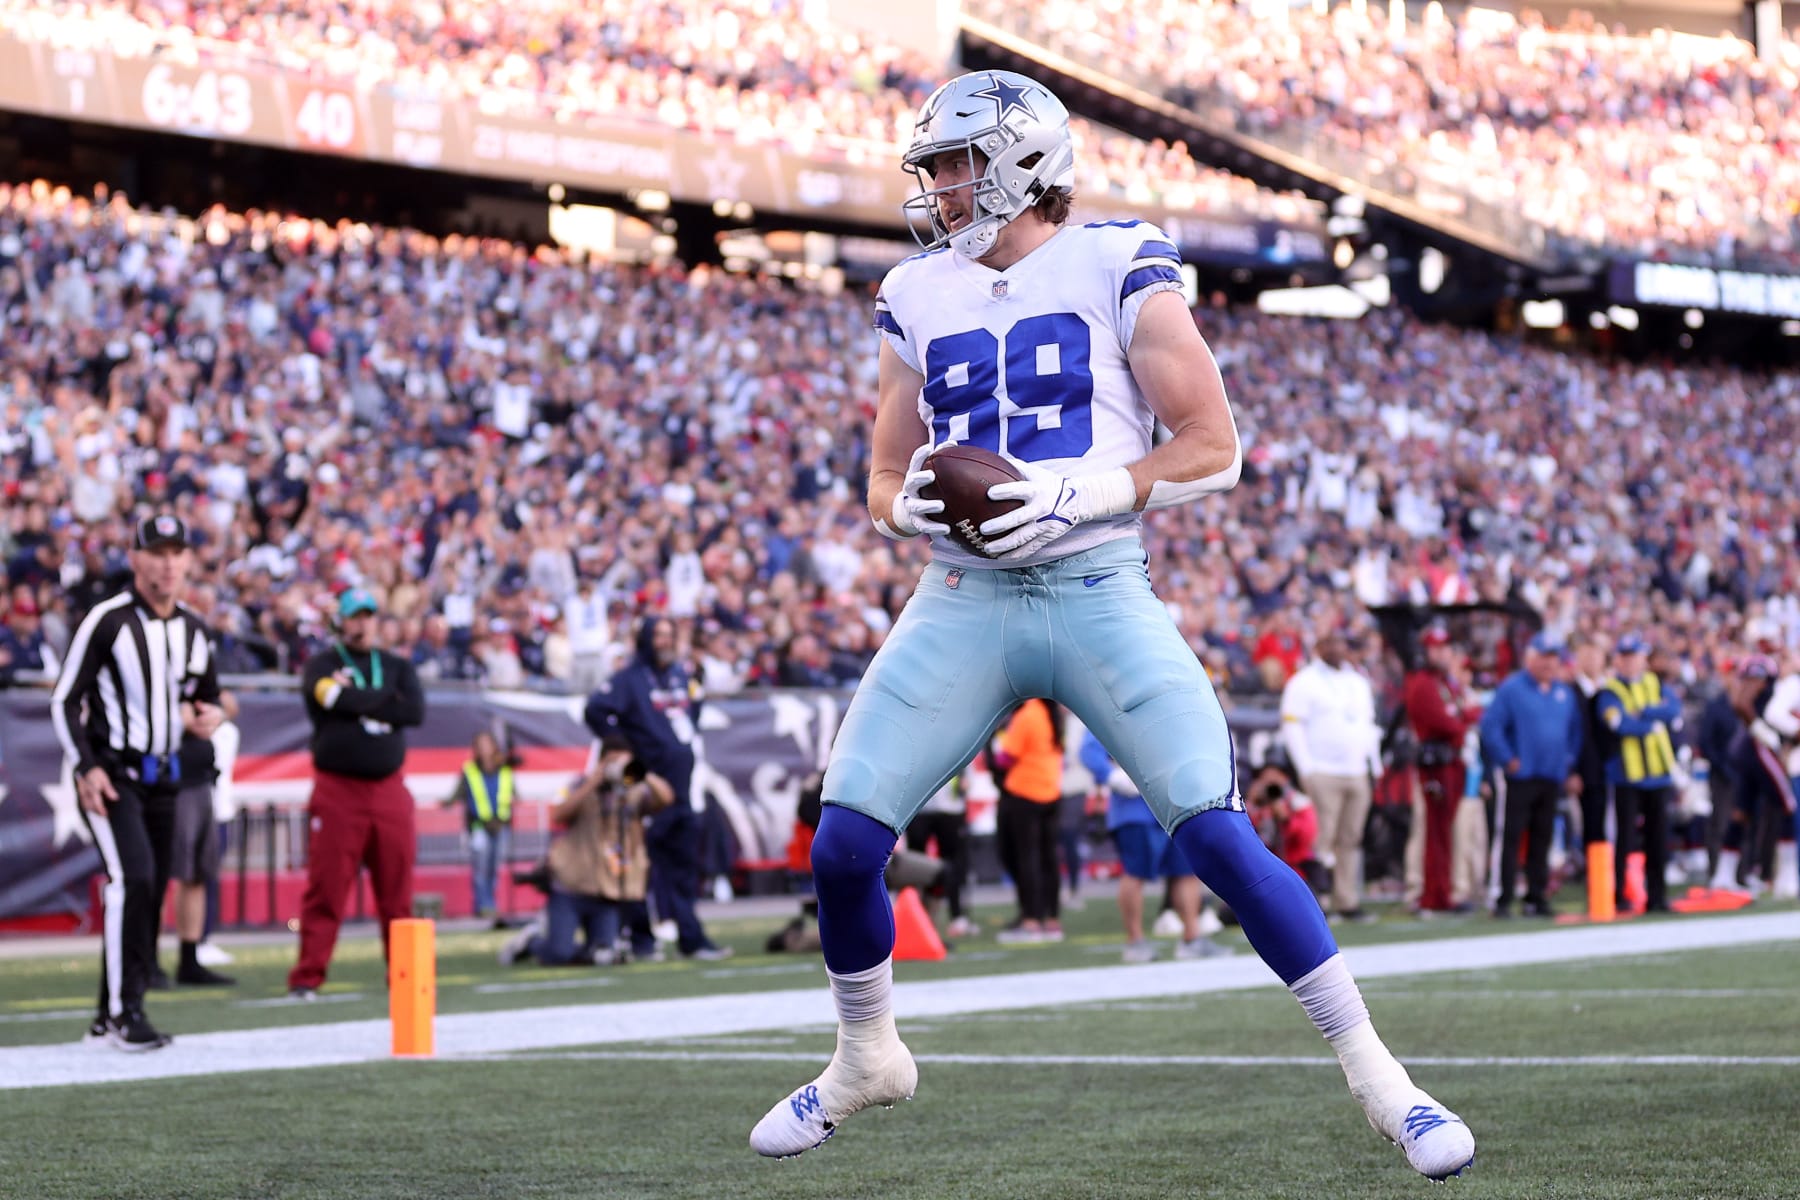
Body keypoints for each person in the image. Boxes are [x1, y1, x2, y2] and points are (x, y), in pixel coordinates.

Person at [749, 69, 1474, 1182]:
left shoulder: (1117, 257)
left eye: (957, 163)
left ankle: (1384, 1080)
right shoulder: (914, 290)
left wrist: (1077, 493)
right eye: (933, 167)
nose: (940, 187)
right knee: (845, 843)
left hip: (1096, 584)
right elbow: (883, 476)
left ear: (1025, 164)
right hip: (963, 596)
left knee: (1218, 837)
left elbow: (1212, 444)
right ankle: (865, 1055)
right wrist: (910, 511)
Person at [51, 514, 223, 1050]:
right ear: (135, 558)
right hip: (114, 775)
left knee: (149, 892)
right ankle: (128, 1014)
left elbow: (207, 697)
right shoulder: (108, 620)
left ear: (189, 559)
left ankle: (110, 1014)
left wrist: (207, 716)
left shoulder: (193, 627)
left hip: (166, 778)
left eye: (177, 551)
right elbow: (63, 700)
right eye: (157, 551)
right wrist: (87, 764)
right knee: (134, 881)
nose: (168, 562)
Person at [286, 588, 426, 1000]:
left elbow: (413, 712)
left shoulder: (397, 665)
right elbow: (325, 696)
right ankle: (308, 976)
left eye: (368, 616)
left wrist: (353, 702)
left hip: (388, 788)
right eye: (354, 616)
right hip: (338, 790)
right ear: (340, 621)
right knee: (326, 887)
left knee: (397, 891)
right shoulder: (321, 664)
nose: (362, 623)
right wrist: (383, 701)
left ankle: (402, 976)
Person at [584, 616, 731, 961]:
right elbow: (595, 710)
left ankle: (691, 939)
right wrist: (627, 754)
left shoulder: (680, 674)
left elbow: (693, 705)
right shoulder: (629, 679)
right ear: (646, 639)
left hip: (682, 789)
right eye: (658, 635)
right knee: (638, 866)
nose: (665, 641)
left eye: (670, 634)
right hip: (647, 792)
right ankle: (641, 939)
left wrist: (679, 739)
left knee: (682, 868)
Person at [499, 734, 672, 966]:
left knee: (603, 957)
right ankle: (533, 942)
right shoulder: (580, 785)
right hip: (572, 887)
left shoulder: (632, 792)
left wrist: (640, 771)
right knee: (559, 954)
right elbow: (558, 814)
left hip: (606, 890)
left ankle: (584, 949)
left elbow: (666, 798)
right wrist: (596, 778)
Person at [1083, 729, 1227, 962]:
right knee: (1135, 872)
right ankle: (1135, 941)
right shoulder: (1117, 701)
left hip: (1175, 804)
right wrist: (1112, 776)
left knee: (1186, 871)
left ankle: (1192, 937)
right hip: (1135, 808)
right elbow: (1089, 750)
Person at [1478, 633, 1583, 917]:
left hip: (1550, 775)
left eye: (1554, 657)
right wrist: (1507, 759)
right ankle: (1502, 897)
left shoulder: (1563, 693)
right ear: (1531, 657)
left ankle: (1536, 896)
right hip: (1519, 776)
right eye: (1544, 657)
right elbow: (1490, 727)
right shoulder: (1512, 689)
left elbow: (1574, 733)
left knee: (1543, 837)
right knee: (1509, 836)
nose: (1550, 663)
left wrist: (1567, 763)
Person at [1279, 629, 1382, 921]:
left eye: (1341, 641)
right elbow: (1293, 726)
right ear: (1319, 646)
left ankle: (1346, 899)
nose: (1337, 647)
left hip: (1356, 770)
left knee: (1351, 837)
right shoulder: (1304, 682)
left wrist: (1373, 764)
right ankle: (1316, 899)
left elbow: (1367, 725)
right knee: (1320, 837)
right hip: (1322, 769)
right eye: (1331, 642)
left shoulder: (1357, 682)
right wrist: (1306, 768)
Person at [160, 683, 240, 985]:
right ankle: (146, 960)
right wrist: (182, 716)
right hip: (167, 781)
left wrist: (212, 712)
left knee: (196, 875)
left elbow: (223, 706)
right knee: (156, 876)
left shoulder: (196, 666)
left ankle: (189, 957)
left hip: (201, 781)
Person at [1597, 634, 1681, 914]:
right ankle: (1620, 894)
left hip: (1657, 773)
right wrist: (1649, 725)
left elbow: (1673, 710)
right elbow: (1617, 723)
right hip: (1626, 775)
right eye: (1628, 657)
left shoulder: (1653, 684)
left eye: (1637, 656)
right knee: (1625, 838)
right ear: (1619, 660)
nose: (1633, 662)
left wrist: (1644, 712)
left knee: (1658, 839)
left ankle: (1657, 896)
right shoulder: (1610, 690)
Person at [1403, 626, 1481, 914]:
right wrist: (1463, 720)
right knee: (1435, 832)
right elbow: (1445, 721)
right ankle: (1434, 895)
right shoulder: (1423, 683)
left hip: (1450, 762)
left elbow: (1462, 713)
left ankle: (1442, 891)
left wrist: (1463, 718)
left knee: (1443, 832)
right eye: (1435, 648)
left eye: (1444, 647)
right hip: (1437, 763)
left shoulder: (1443, 682)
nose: (1441, 653)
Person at [993, 698, 1066, 943]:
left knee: (1026, 858)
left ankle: (1031, 919)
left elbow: (1007, 756)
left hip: (1024, 792)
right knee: (1049, 858)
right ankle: (1052, 918)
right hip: (1051, 791)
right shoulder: (1052, 713)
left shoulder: (1028, 713)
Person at [444, 730, 517, 923]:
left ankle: (490, 904)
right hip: (479, 827)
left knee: (494, 868)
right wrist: (446, 802)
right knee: (480, 868)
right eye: (480, 744)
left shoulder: (504, 769)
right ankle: (483, 906)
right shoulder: (470, 770)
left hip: (500, 826)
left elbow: (513, 792)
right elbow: (459, 793)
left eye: (487, 744)